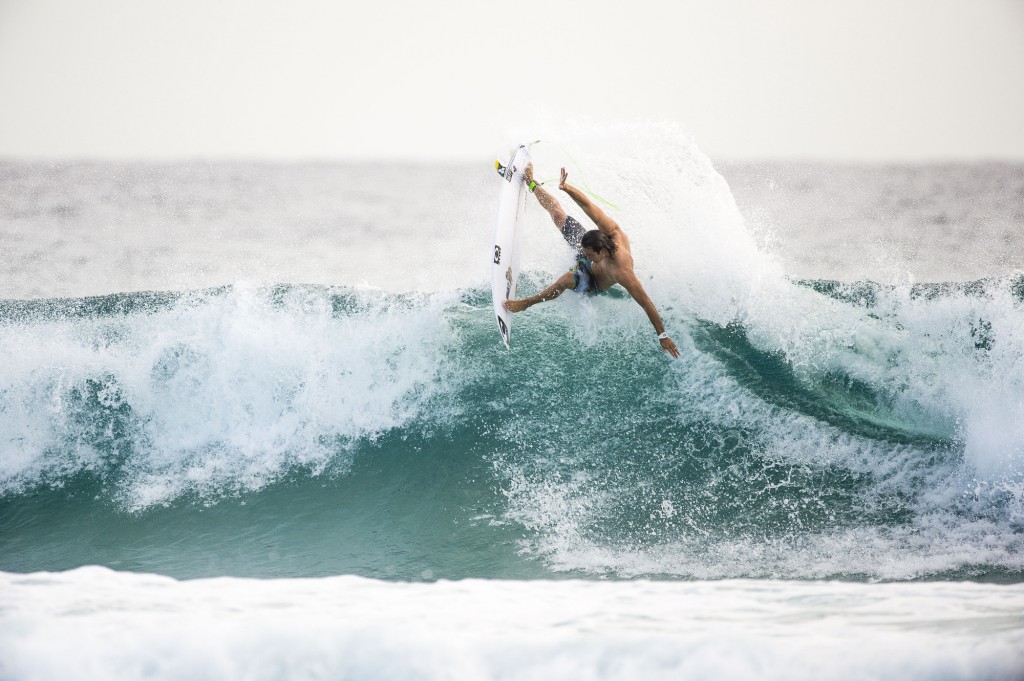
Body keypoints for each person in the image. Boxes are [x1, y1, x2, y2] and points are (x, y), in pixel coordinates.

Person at [503, 164, 681, 358]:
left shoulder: (622, 271)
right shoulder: (610, 231)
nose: (584, 255)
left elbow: (646, 303)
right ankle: (531, 183)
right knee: (557, 214)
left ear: (602, 251)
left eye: (589, 254)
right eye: (584, 252)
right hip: (590, 247)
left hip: (592, 282)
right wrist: (567, 188)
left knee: (565, 279)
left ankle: (526, 303)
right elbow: (587, 205)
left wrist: (662, 335)